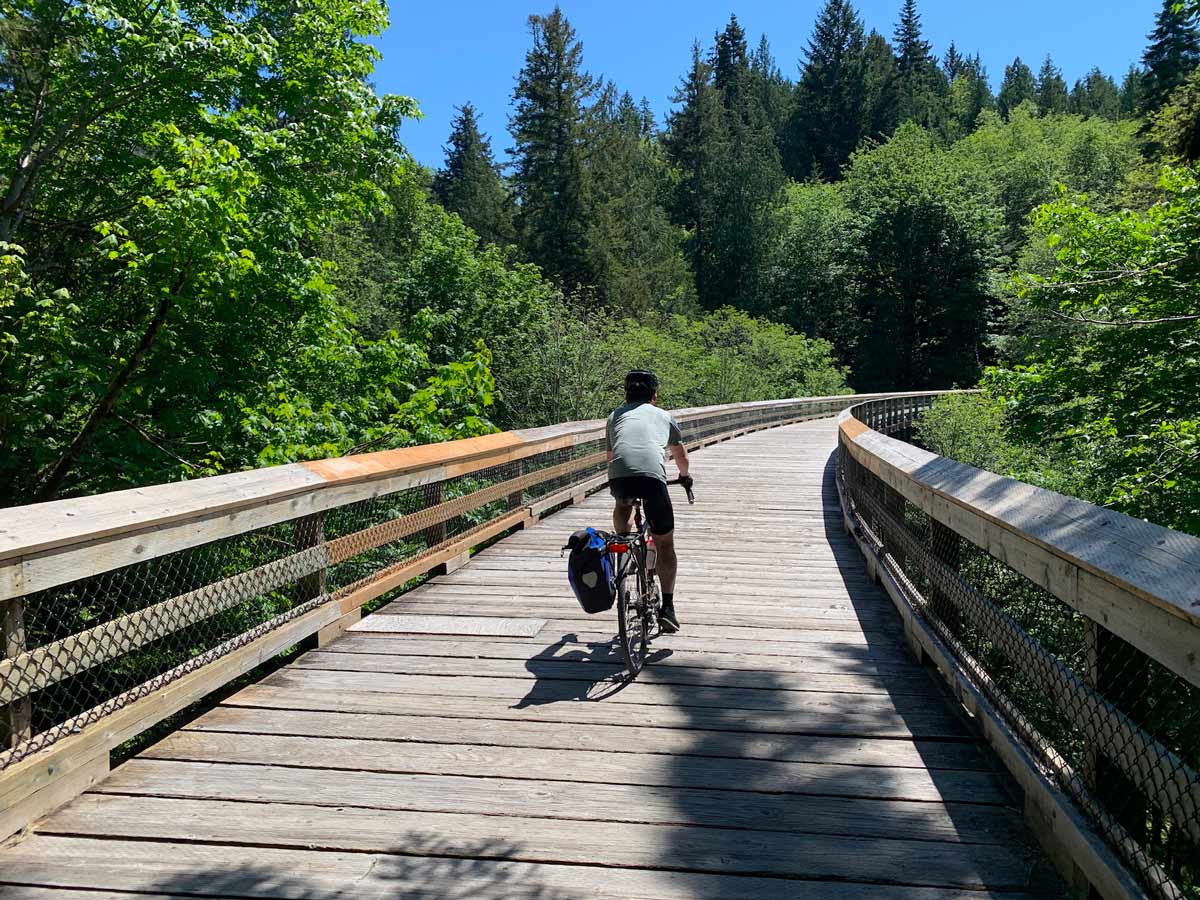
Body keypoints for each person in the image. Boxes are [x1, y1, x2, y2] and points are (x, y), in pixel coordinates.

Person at [605, 369, 692, 633]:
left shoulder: (614, 416)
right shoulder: (664, 416)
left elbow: (611, 456)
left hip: (620, 478)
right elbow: (680, 456)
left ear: (626, 394)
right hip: (653, 479)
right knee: (664, 542)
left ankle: (623, 539)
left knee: (623, 502)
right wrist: (685, 477)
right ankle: (667, 607)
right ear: (654, 396)